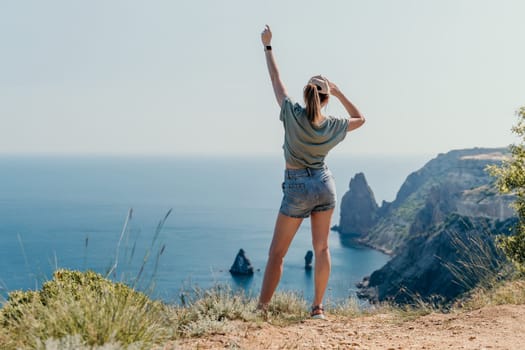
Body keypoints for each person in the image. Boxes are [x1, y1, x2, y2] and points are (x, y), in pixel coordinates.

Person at [257, 25, 366, 320]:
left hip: (297, 187)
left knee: (276, 254)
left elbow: (275, 80)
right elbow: (360, 118)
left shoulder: (292, 113)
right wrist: (339, 90)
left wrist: (268, 46)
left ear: (306, 95)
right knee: (322, 248)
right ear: (326, 98)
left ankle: (262, 312)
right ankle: (318, 308)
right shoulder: (332, 125)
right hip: (324, 183)